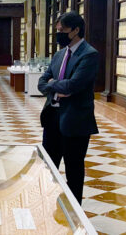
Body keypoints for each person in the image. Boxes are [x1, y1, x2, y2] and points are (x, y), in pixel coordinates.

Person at [37, 11, 99, 204]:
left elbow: (73, 86)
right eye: (57, 30)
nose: (58, 34)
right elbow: (41, 83)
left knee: (73, 169)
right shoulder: (59, 54)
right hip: (52, 117)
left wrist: (54, 84)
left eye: (62, 30)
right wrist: (57, 86)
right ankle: (47, 205)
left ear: (76, 30)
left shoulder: (89, 55)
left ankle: (75, 213)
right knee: (49, 166)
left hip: (75, 120)